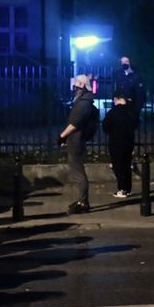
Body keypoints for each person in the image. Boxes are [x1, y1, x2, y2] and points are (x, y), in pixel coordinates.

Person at [59, 75, 97, 214]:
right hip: (77, 140)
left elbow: (74, 124)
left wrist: (62, 136)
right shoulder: (84, 101)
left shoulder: (82, 104)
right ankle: (82, 200)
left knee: (78, 173)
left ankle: (83, 202)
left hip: (77, 141)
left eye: (75, 83)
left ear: (81, 84)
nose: (73, 87)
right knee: (77, 172)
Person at [103, 92, 138, 198]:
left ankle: (122, 189)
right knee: (127, 165)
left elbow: (105, 127)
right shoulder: (131, 111)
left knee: (118, 166)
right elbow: (136, 124)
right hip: (129, 141)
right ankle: (127, 188)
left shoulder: (113, 112)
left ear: (116, 99)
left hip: (116, 141)